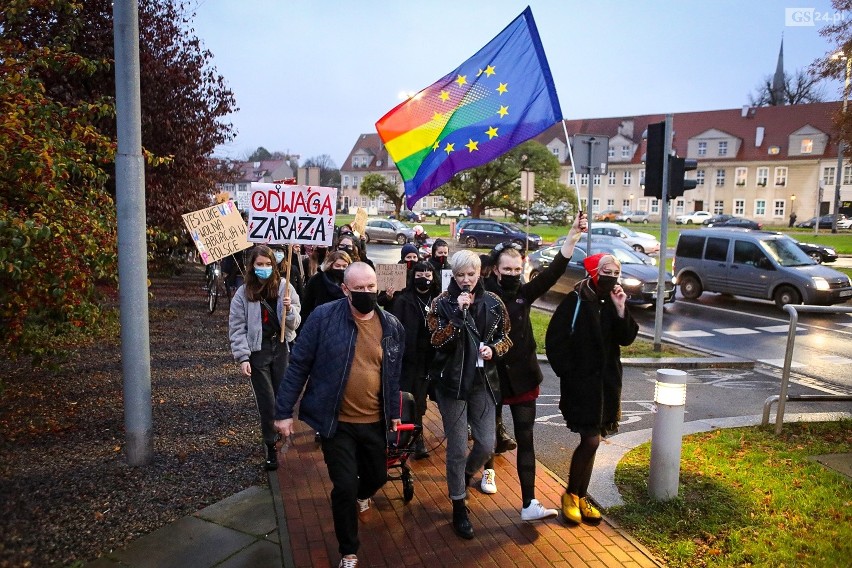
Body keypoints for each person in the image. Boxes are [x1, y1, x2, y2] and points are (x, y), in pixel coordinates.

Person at [274, 262, 404, 568]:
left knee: (378, 476)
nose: (366, 293)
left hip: (374, 421)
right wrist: (283, 413)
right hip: (337, 423)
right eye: (358, 288)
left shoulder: (392, 326)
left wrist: (395, 412)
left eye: (370, 287)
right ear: (345, 289)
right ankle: (349, 550)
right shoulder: (323, 318)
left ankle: (363, 494)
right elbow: (299, 366)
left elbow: (394, 375)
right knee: (343, 486)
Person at [478, 214, 587, 521]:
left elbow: (553, 273)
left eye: (517, 269)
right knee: (489, 433)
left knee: (526, 437)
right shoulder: (483, 295)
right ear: (496, 271)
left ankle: (529, 503)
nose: (512, 273)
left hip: (524, 378)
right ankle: (488, 472)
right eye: (506, 269)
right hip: (492, 376)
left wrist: (572, 237)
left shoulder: (526, 293)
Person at [544, 252, 638, 526]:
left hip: (606, 385)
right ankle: (571, 495)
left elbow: (627, 338)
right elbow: (554, 341)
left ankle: (580, 497)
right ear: (594, 271)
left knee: (593, 441)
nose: (612, 275)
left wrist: (621, 308)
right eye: (606, 270)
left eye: (616, 271)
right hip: (581, 385)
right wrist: (569, 372)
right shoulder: (575, 301)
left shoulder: (612, 300)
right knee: (591, 440)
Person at [427, 250, 512, 539]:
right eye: (460, 275)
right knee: (457, 447)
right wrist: (459, 319)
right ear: (453, 275)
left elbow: (506, 337)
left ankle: (465, 476)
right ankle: (458, 502)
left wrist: (495, 350)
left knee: (487, 444)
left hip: (482, 381)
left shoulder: (494, 302)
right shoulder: (441, 303)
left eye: (471, 275)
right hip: (453, 383)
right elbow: (437, 341)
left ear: (480, 274)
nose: (466, 280)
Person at [228, 245, 301, 471]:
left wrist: (289, 311)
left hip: (280, 348)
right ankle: (270, 445)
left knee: (282, 397)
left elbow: (296, 322)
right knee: (267, 402)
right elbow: (237, 326)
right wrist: (243, 357)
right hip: (257, 351)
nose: (264, 268)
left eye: (268, 264)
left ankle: (282, 431)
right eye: (259, 264)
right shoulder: (243, 293)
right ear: (252, 266)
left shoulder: (284, 287)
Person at [388, 261, 437, 459]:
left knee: (420, 400)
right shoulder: (404, 300)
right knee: (406, 399)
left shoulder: (438, 300)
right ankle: (404, 438)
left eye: (428, 274)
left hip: (430, 359)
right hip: (408, 359)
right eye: (419, 274)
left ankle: (418, 437)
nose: (424, 278)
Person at [301, 251, 351, 324]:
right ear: (331, 265)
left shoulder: (351, 282)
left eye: (344, 266)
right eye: (337, 266)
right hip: (320, 322)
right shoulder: (317, 280)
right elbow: (306, 305)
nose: (341, 269)